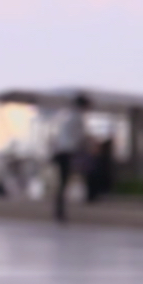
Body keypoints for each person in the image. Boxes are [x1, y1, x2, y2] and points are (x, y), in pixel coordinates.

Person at [52, 94, 90, 223]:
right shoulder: (78, 118)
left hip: (61, 152)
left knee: (63, 182)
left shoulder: (67, 116)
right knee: (64, 182)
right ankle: (60, 212)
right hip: (68, 153)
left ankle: (59, 210)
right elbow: (80, 138)